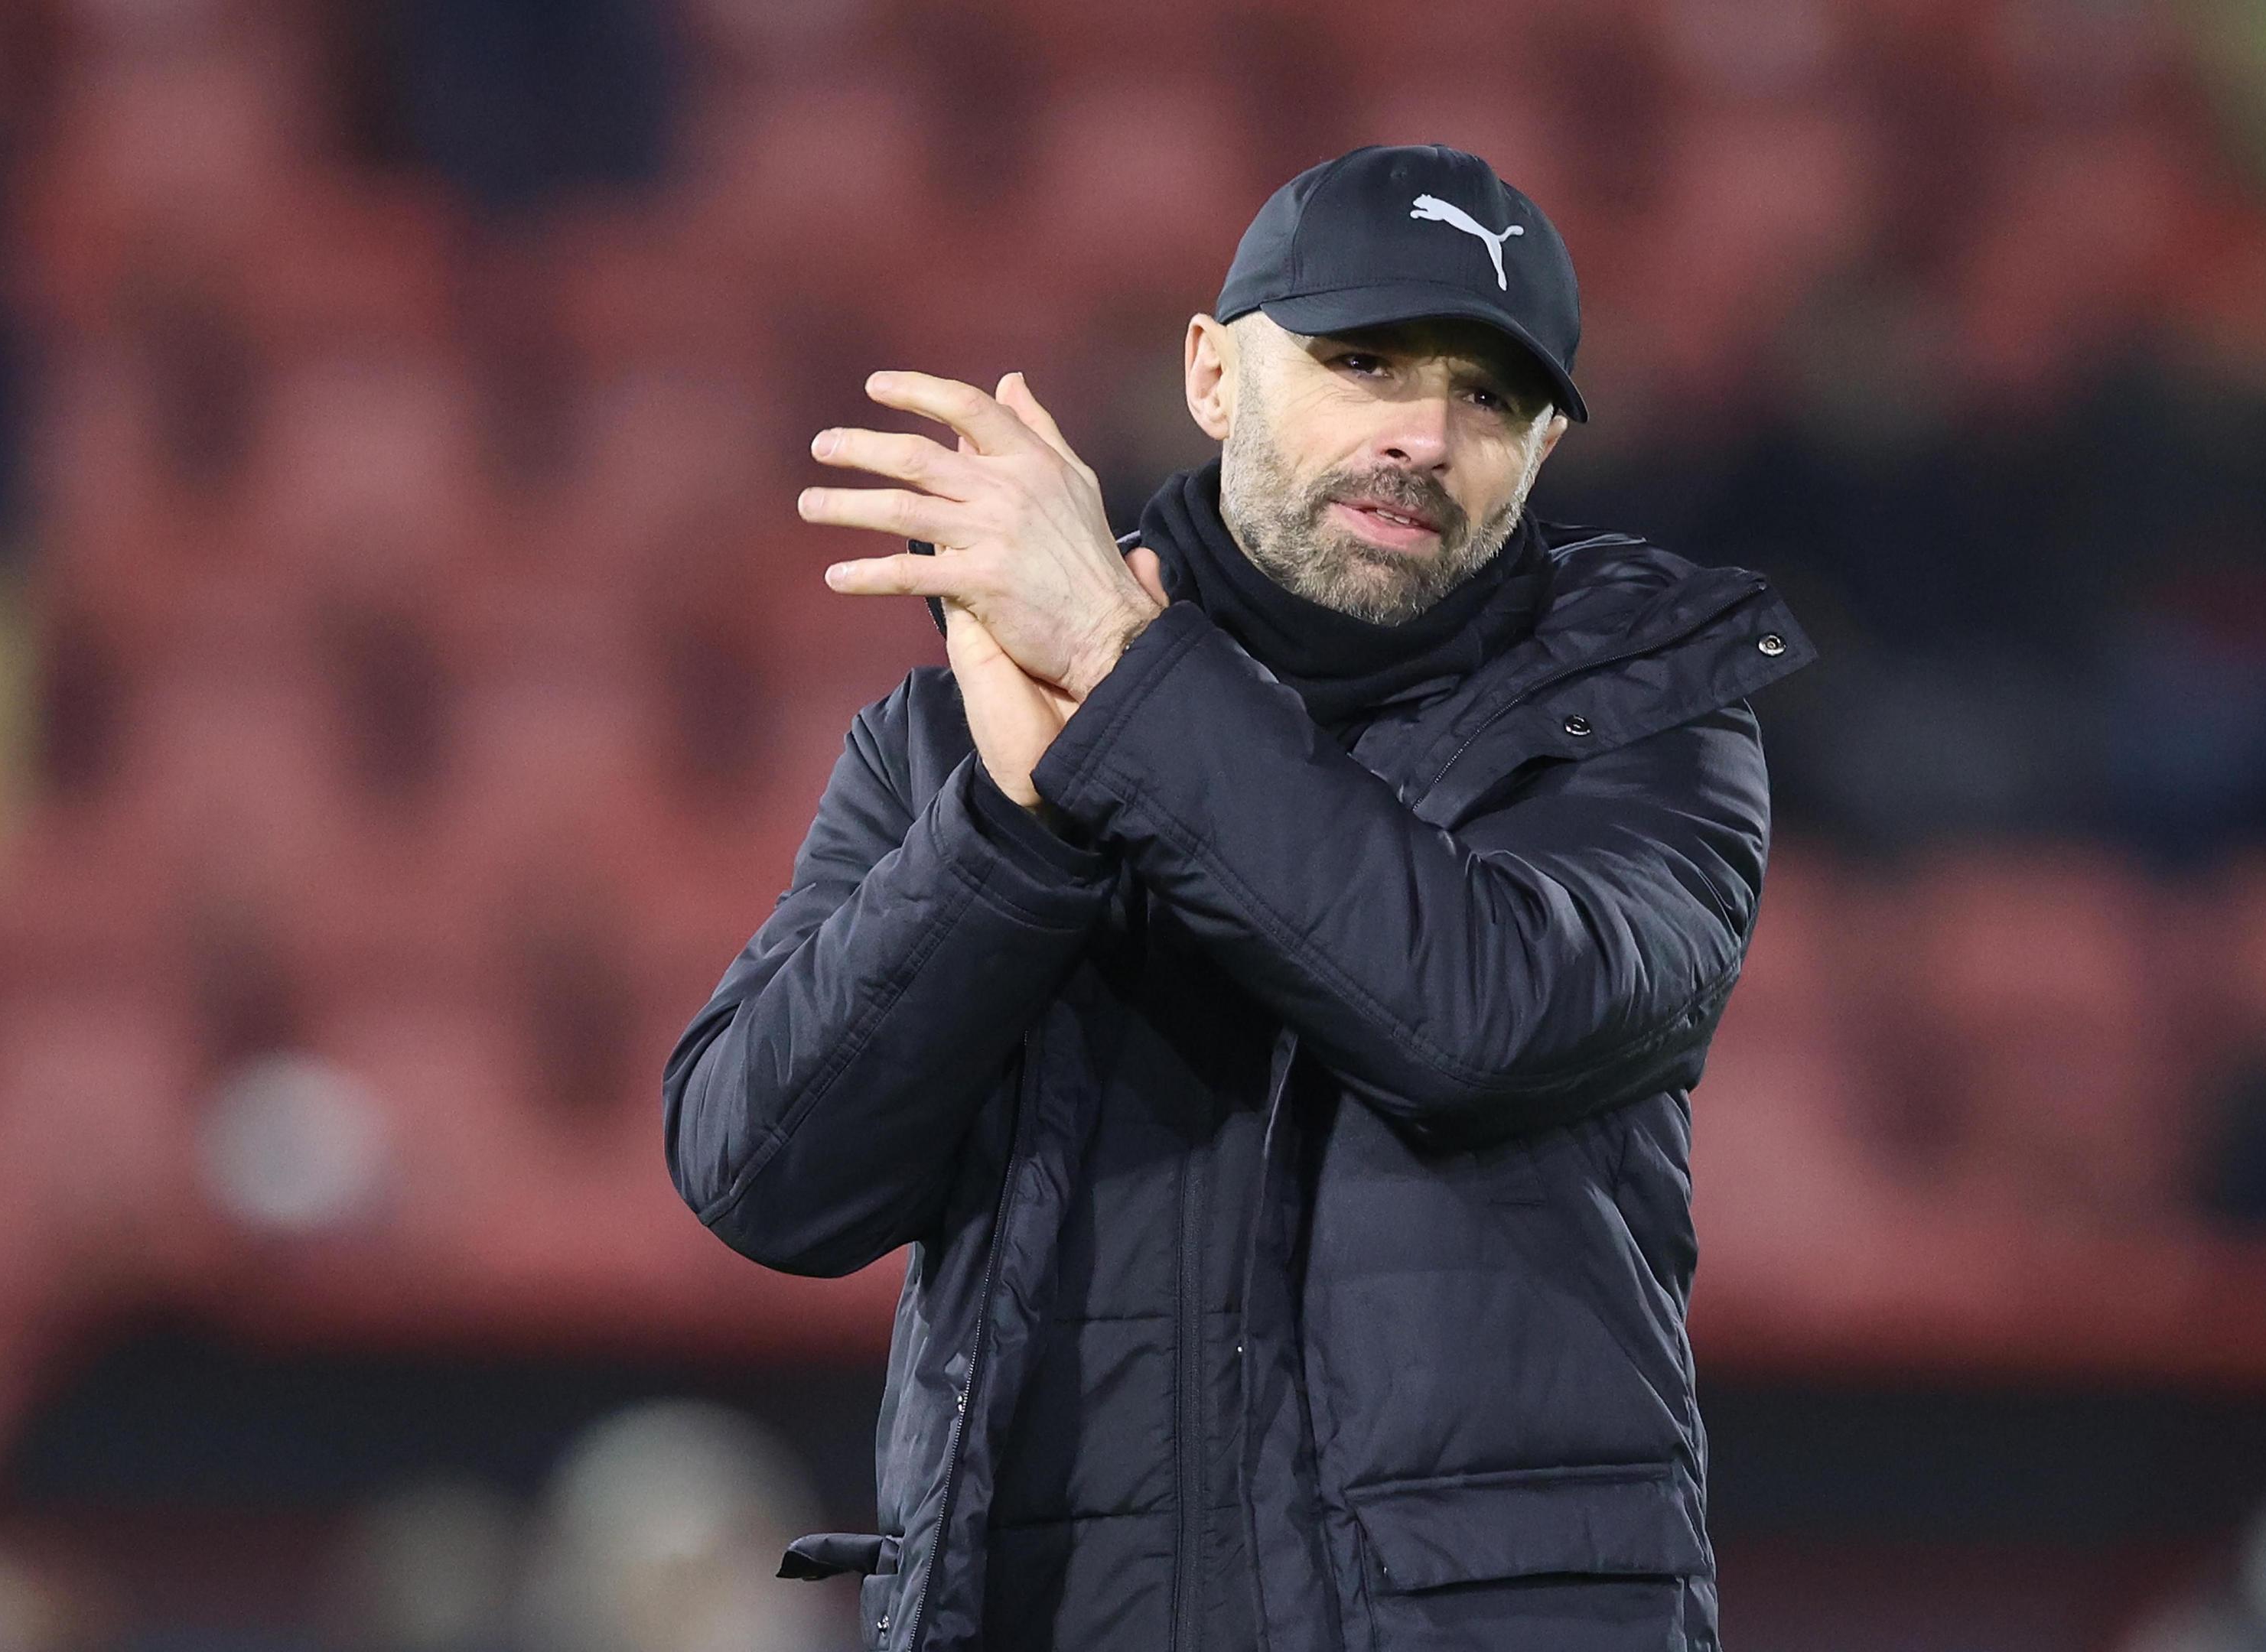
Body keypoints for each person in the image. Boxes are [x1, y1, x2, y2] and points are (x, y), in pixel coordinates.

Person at [663, 144, 1813, 1652]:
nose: (1423, 431)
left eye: (1492, 397)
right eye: (1363, 360)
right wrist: (1012, 830)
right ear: (1212, 376)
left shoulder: (1648, 713)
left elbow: (1474, 1016)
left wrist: (1127, 691)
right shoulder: (963, 735)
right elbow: (765, 1179)